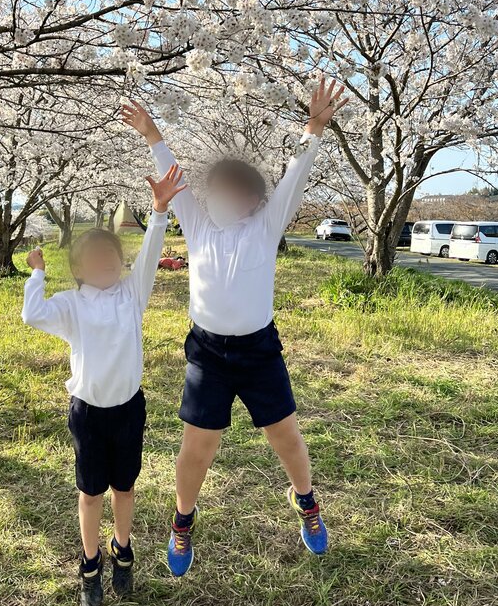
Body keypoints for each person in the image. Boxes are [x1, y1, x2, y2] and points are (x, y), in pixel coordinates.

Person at [121, 77, 346, 576]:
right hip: (208, 354)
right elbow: (172, 178)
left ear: (253, 201)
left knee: (285, 437)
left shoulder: (265, 228)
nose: (224, 197)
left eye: (235, 191)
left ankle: (307, 503)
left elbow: (295, 179)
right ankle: (183, 521)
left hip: (259, 351)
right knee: (196, 447)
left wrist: (314, 129)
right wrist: (153, 135)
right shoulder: (198, 225)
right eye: (217, 188)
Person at [22, 164, 186, 606]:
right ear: (77, 267)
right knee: (91, 492)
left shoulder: (133, 295)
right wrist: (36, 273)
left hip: (129, 409)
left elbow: (151, 254)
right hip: (89, 412)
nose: (105, 266)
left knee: (125, 488)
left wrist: (158, 212)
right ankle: (89, 563)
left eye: (111, 258)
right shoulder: (72, 304)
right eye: (94, 261)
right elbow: (33, 314)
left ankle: (123, 551)